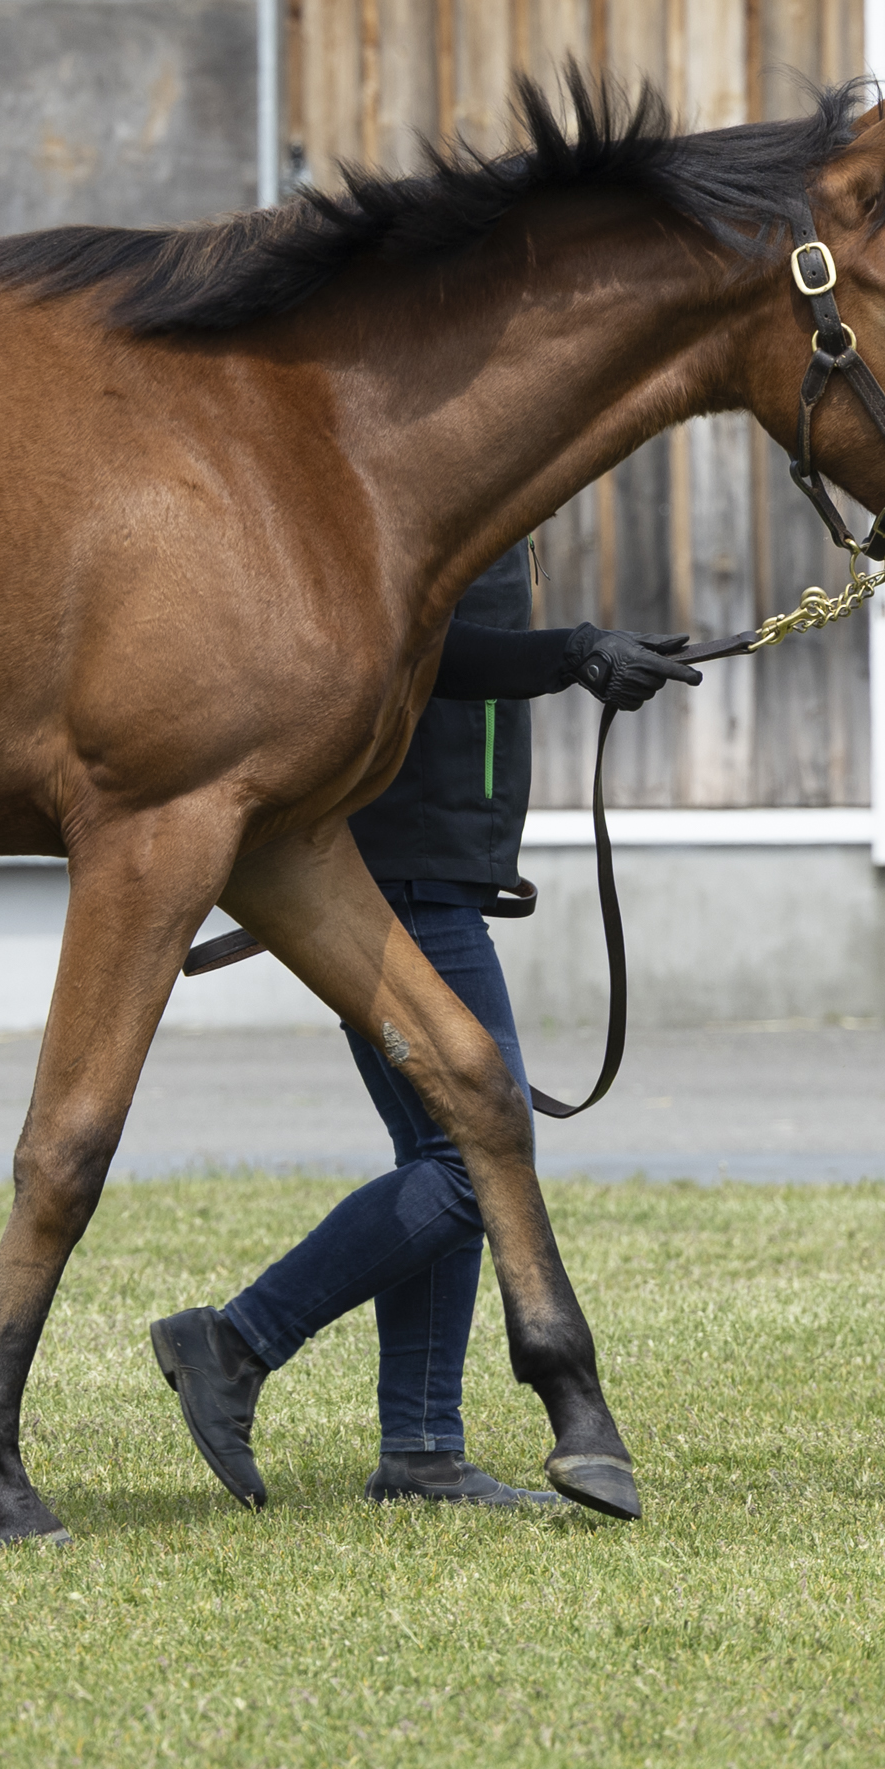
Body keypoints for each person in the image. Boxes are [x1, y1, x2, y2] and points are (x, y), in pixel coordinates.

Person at [149, 541, 698, 1510]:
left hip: (428, 863)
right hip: (391, 868)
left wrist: (586, 655)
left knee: (442, 1151)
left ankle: (419, 1448)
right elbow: (413, 650)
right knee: (477, 1153)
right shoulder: (437, 496)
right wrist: (571, 653)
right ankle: (234, 1341)